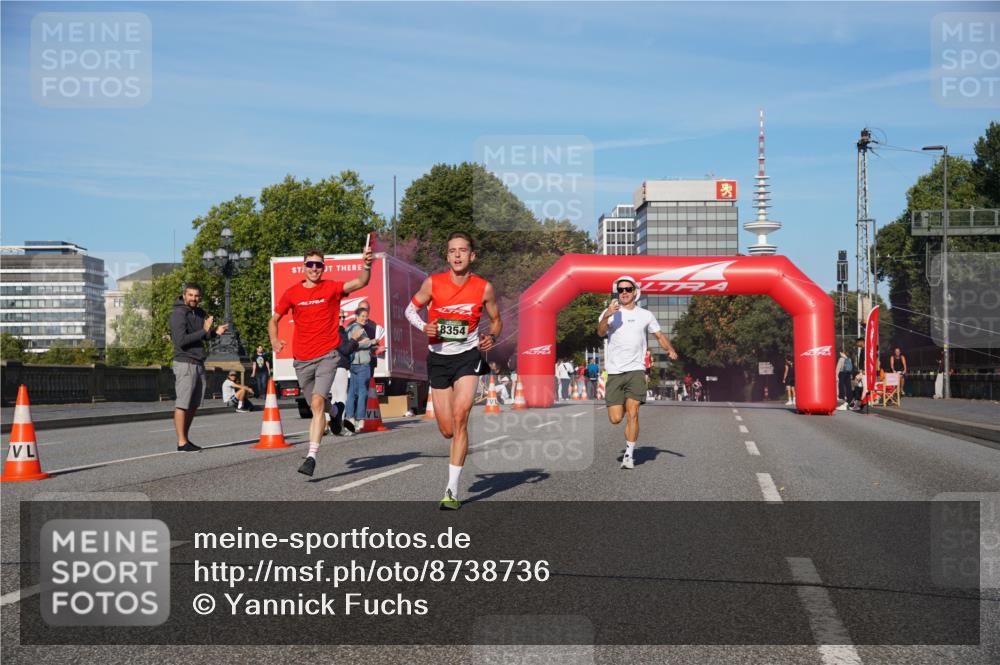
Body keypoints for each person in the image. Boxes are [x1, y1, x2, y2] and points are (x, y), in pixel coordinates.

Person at [406, 231, 501, 509]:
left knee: (461, 417)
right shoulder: (432, 283)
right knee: (447, 429)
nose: (457, 255)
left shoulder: (484, 288)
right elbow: (409, 311)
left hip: (467, 357)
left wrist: (491, 338)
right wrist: (424, 326)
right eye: (452, 251)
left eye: (462, 250)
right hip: (438, 359)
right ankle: (452, 455)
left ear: (472, 256)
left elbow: (496, 321)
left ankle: (451, 490)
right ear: (447, 256)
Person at [269, 244, 373, 477]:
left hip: (328, 354)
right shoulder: (292, 293)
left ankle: (311, 457)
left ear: (323, 267)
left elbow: (360, 282)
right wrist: (275, 339)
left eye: (319, 265)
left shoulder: (332, 288)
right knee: (316, 404)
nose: (314, 269)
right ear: (303, 267)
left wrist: (366, 264)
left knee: (317, 403)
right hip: (302, 359)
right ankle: (336, 413)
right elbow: (274, 318)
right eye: (310, 265)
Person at [597, 275, 678, 470]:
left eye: (627, 289)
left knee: (633, 413)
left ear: (635, 292)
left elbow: (658, 335)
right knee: (616, 418)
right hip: (615, 371)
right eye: (621, 289)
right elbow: (600, 333)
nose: (624, 292)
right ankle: (623, 405)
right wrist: (607, 315)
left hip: (635, 370)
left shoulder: (645, 315)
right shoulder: (610, 313)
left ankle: (629, 454)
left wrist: (670, 349)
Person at [170, 283, 228, 452]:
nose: (194, 298)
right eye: (190, 295)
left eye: (196, 296)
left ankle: (185, 439)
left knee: (194, 404)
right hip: (185, 362)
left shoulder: (199, 312)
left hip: (198, 361)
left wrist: (215, 331)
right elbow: (181, 341)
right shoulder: (178, 314)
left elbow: (203, 336)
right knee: (183, 403)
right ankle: (181, 442)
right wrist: (204, 330)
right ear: (184, 295)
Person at [327, 311, 362, 437]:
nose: (342, 319)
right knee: (341, 397)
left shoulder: (328, 329)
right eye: (339, 316)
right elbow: (345, 349)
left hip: (330, 366)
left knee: (334, 397)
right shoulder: (339, 330)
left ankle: (330, 425)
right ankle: (339, 427)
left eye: (343, 316)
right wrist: (354, 339)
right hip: (339, 365)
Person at [345, 306, 375, 432]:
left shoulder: (349, 328)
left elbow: (353, 345)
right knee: (362, 392)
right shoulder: (358, 329)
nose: (365, 318)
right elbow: (357, 344)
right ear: (356, 317)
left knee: (352, 392)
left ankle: (350, 418)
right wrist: (371, 342)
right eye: (362, 316)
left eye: (366, 316)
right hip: (362, 364)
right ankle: (360, 419)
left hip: (353, 364)